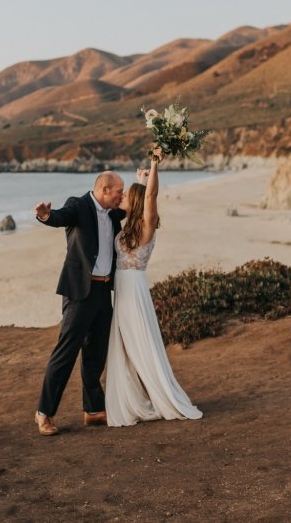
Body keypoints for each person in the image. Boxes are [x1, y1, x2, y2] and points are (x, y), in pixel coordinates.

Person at [106, 148, 202, 426]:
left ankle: (161, 396)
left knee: (140, 343)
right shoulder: (129, 226)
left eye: (125, 196)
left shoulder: (147, 226)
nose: (121, 198)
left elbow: (151, 196)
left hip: (133, 288)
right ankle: (131, 399)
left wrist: (153, 165)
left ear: (135, 201)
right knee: (124, 346)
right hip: (122, 289)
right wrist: (141, 178)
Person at [33, 170, 126, 436]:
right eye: (119, 191)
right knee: (66, 353)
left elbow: (139, 204)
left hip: (103, 291)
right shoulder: (78, 204)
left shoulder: (113, 212)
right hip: (79, 293)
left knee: (96, 354)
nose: (122, 195)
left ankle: (93, 410)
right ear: (105, 190)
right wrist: (44, 215)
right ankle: (44, 413)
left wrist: (147, 177)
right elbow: (59, 216)